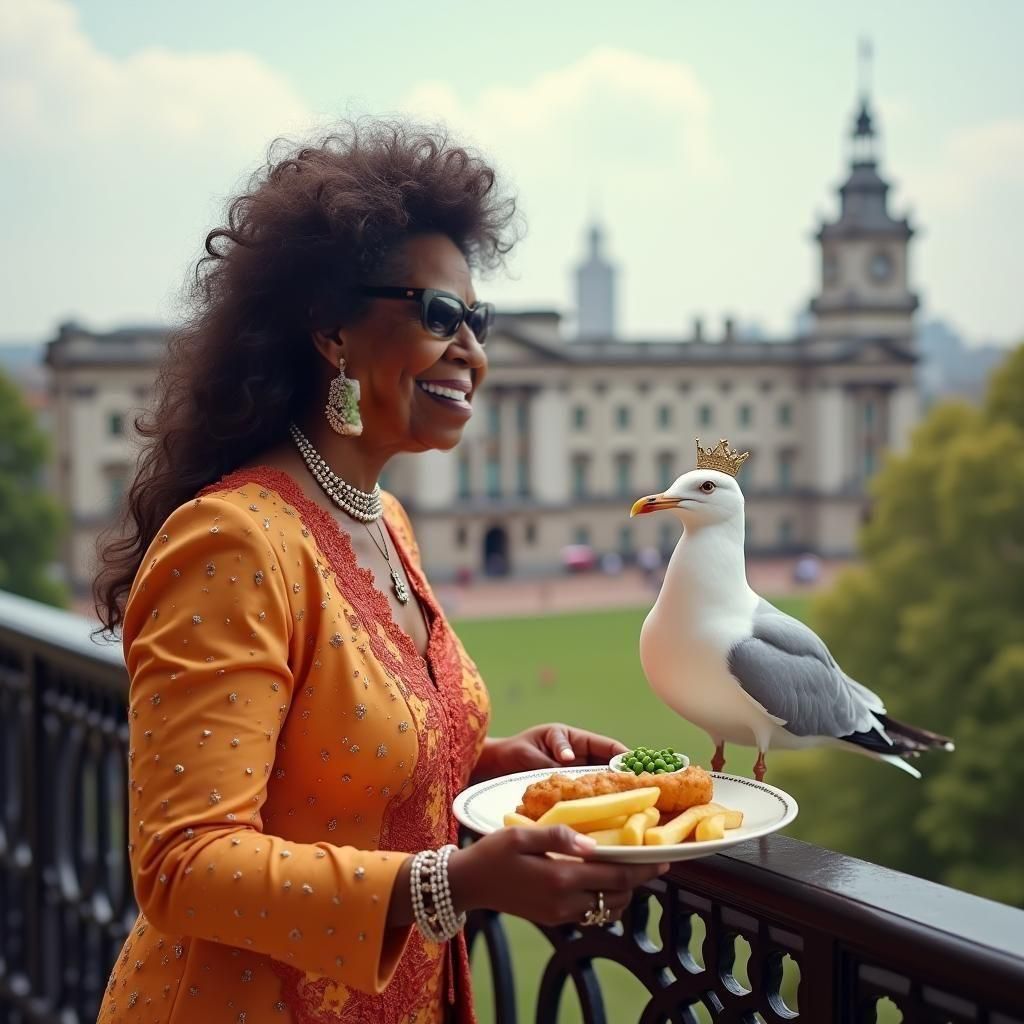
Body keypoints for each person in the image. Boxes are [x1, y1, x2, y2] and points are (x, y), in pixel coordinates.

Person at [93, 121, 668, 1024]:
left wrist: (483, 768)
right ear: (331, 332)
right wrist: (447, 883)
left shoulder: (384, 520)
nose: (471, 350)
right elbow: (183, 863)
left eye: (480, 322)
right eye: (441, 315)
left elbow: (334, 756)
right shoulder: (233, 544)